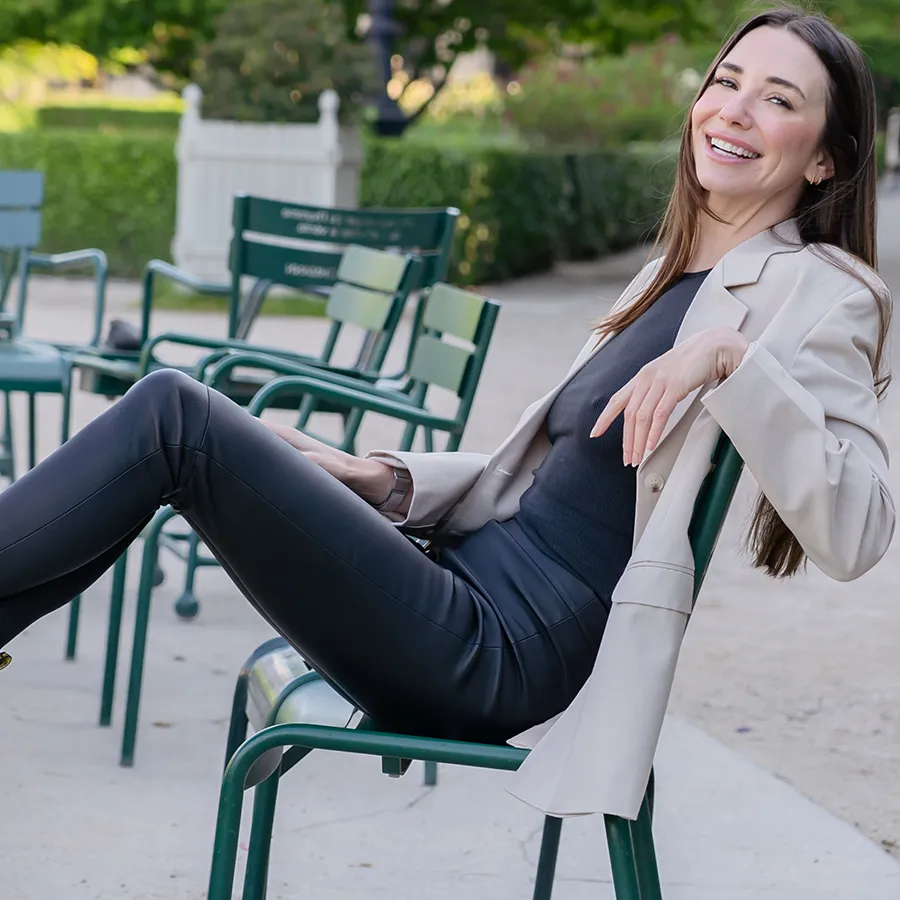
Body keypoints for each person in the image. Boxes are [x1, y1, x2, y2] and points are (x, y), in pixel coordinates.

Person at [0, 6, 895, 817]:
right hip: (457, 579)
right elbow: (545, 479)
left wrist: (732, 361)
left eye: (777, 99)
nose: (734, 110)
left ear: (824, 158)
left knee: (173, 416)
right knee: (181, 429)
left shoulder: (822, 292)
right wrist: (382, 477)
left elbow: (858, 531)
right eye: (725, 83)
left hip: (496, 650)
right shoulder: (672, 274)